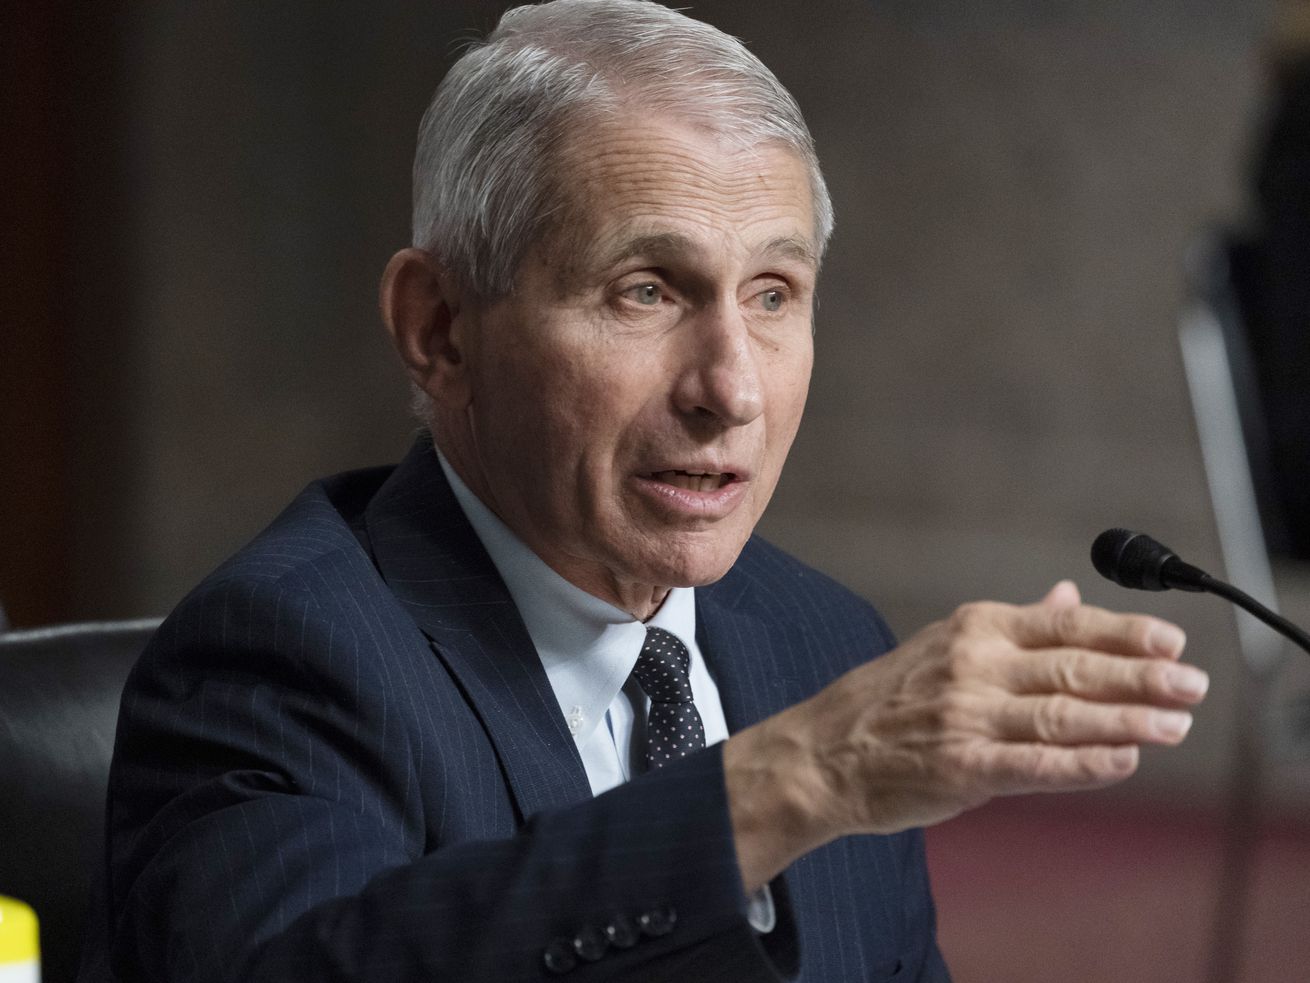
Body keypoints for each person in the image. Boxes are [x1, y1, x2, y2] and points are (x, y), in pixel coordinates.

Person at [80, 2, 1210, 981]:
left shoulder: (815, 638)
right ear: (439, 329)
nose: (729, 389)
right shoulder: (288, 651)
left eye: (772, 294)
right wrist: (790, 778)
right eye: (644, 290)